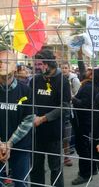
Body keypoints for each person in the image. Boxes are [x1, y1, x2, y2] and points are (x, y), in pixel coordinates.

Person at [30, 48, 71, 187]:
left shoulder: (63, 81)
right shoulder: (35, 80)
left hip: (54, 133)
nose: (37, 67)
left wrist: (43, 118)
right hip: (36, 132)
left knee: (55, 168)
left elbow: (65, 106)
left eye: (39, 64)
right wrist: (33, 114)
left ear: (47, 64)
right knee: (36, 167)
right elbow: (30, 101)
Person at [0, 51, 34, 187]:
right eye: (0, 62)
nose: (2, 65)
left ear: (15, 67)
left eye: (7, 62)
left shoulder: (26, 91)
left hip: (20, 146)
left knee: (21, 183)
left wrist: (9, 143)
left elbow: (28, 120)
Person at [70, 66, 99, 185]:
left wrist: (72, 99)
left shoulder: (88, 87)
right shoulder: (94, 86)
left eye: (91, 70)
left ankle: (84, 174)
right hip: (89, 122)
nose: (88, 71)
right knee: (89, 146)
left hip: (83, 122)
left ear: (92, 75)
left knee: (82, 148)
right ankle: (93, 169)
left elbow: (84, 105)